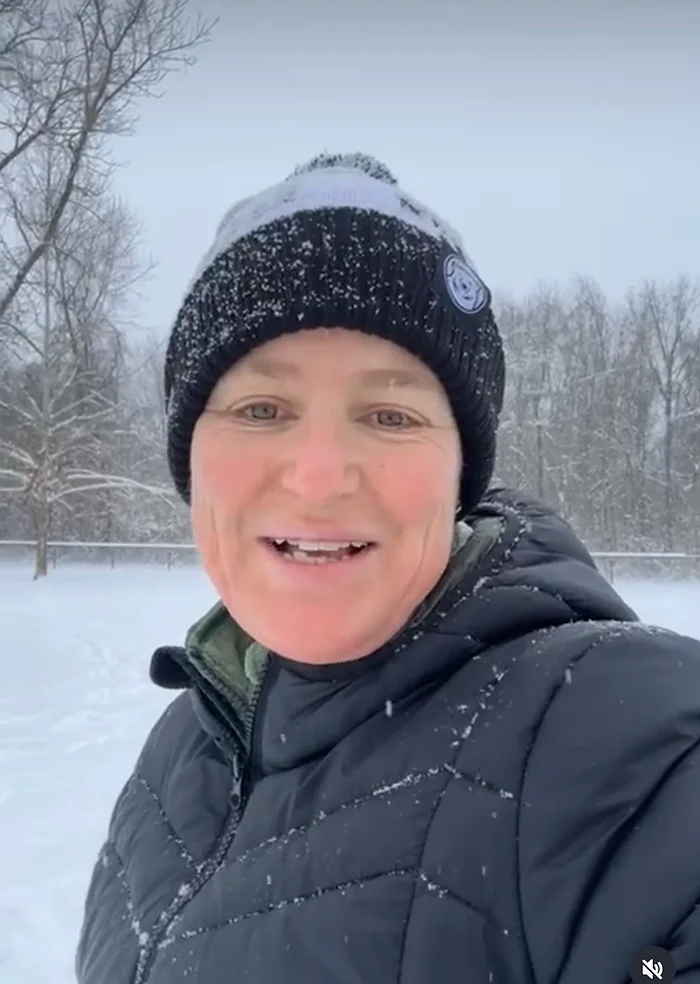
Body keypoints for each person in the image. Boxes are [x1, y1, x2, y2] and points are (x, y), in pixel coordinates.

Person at [76, 153, 700, 984]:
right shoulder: (181, 750)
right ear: (190, 455)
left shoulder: (619, 737)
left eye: (389, 413)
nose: (321, 474)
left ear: (460, 477)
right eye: (262, 409)